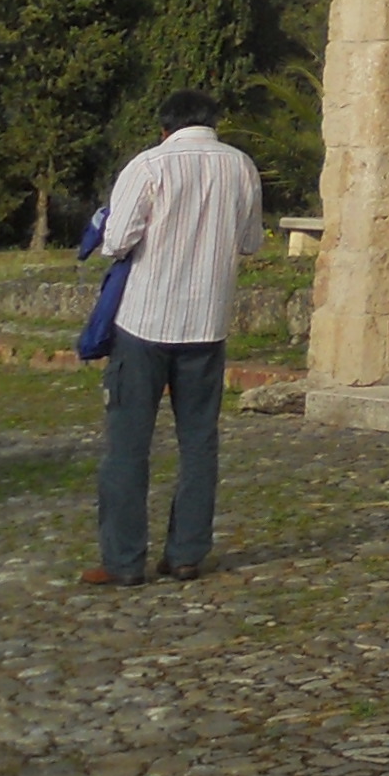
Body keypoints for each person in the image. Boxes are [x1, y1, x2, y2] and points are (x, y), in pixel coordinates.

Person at [84, 88, 266, 586]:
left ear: (165, 126)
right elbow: (250, 241)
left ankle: (123, 560)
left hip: (145, 320)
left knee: (128, 444)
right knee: (199, 442)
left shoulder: (148, 166)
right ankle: (186, 552)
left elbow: (117, 241)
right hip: (208, 321)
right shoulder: (241, 167)